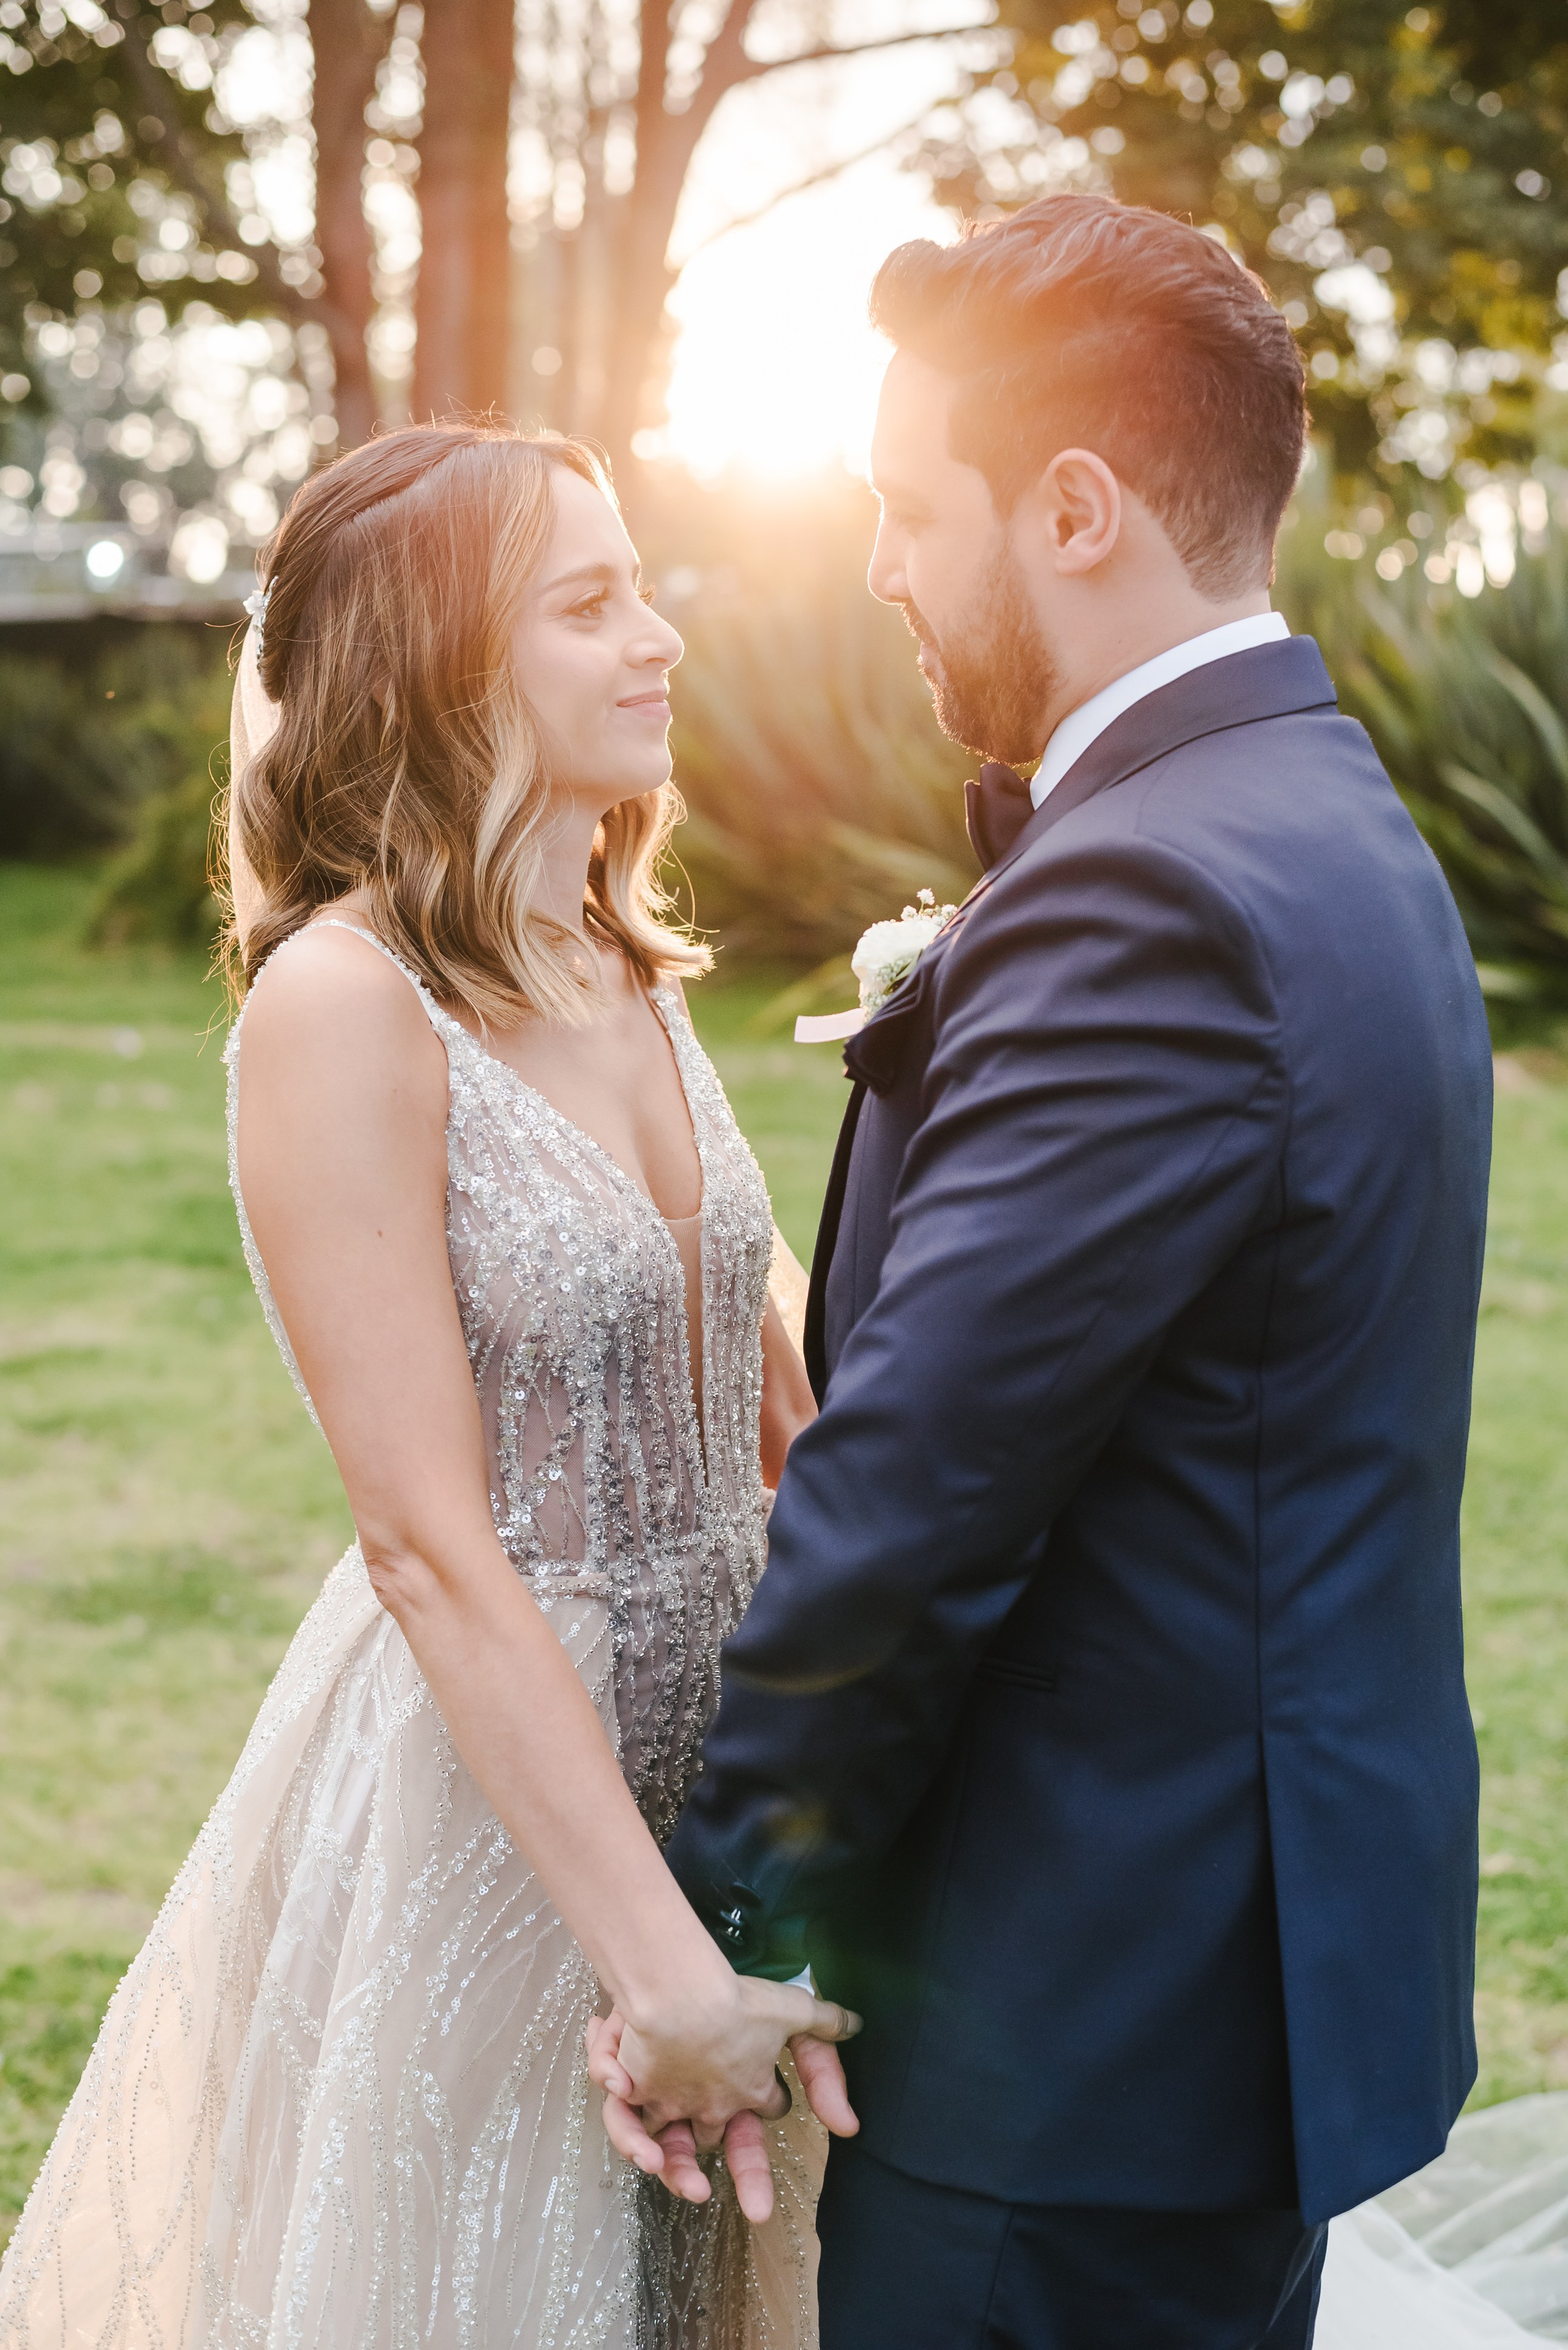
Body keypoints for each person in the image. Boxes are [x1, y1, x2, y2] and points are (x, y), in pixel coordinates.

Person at [596, 194, 1496, 2347]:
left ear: (1077, 509)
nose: (887, 570)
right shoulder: (1337, 817)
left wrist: (715, 1930)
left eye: (914, 510)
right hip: (1232, 1982)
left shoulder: (1145, 902)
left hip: (1071, 2022)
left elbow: (920, 1494)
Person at [0, 423, 861, 2347]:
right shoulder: (340, 1003)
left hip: (727, 1772)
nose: (663, 639)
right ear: (436, 668)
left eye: (643, 584)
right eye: (591, 601)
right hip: (497, 1820)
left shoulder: (619, 955)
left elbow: (781, 1401)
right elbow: (421, 1539)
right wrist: (659, 1968)